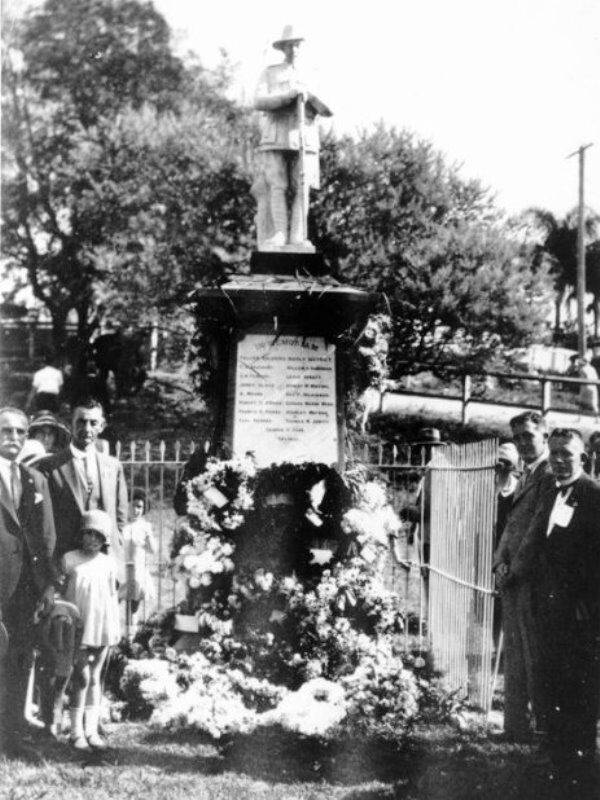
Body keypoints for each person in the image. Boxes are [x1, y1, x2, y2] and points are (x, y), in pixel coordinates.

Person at [510, 428, 600, 791]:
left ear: (583, 458)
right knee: (552, 686)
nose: (560, 461)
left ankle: (583, 767)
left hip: (580, 615)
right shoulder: (549, 491)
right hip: (548, 609)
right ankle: (560, 762)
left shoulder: (594, 496)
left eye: (567, 454)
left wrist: (588, 605)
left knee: (581, 688)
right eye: (555, 454)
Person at [0, 406, 57, 759]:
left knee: (20, 660)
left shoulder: (35, 480)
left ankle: (12, 736)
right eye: (7, 431)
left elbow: (48, 537)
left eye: (21, 432)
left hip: (25, 588)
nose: (15, 438)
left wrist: (49, 585)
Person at [492, 411, 551, 742]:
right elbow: (511, 525)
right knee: (513, 652)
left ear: (544, 434)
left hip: (533, 578)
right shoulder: (525, 472)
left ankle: (539, 728)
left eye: (529, 435)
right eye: (518, 437)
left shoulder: (549, 472)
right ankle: (514, 727)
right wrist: (499, 561)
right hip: (512, 575)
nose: (524, 443)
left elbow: (536, 529)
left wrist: (514, 569)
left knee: (534, 655)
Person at [252, 25, 332, 250]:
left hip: (304, 136)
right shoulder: (270, 72)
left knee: (302, 186)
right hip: (276, 134)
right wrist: (286, 96)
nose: (294, 48)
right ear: (283, 47)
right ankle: (278, 234)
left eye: (297, 44)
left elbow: (328, 108)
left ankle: (297, 236)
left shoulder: (313, 73)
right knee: (277, 185)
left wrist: (310, 97)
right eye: (289, 44)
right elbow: (258, 100)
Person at [35, 397, 127, 577]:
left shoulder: (113, 466)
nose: (87, 429)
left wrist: (115, 547)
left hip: (105, 559)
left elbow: (121, 515)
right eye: (81, 422)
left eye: (93, 423)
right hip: (67, 560)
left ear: (102, 425)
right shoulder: (49, 466)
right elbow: (44, 519)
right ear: (70, 424)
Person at [60, 509, 120, 750]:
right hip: (78, 626)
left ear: (104, 539)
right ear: (81, 535)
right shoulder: (70, 559)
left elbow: (112, 597)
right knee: (81, 677)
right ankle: (76, 732)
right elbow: (62, 594)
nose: (92, 540)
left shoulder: (108, 563)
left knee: (95, 677)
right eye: (88, 534)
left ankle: (91, 730)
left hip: (102, 625)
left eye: (98, 535)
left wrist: (113, 629)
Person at [120, 491, 156, 638]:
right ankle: (116, 634)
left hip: (136, 568)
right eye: (133, 506)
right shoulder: (121, 524)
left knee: (133, 603)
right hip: (121, 568)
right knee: (117, 599)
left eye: (140, 507)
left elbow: (152, 550)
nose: (136, 510)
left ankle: (131, 635)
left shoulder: (144, 526)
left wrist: (147, 537)